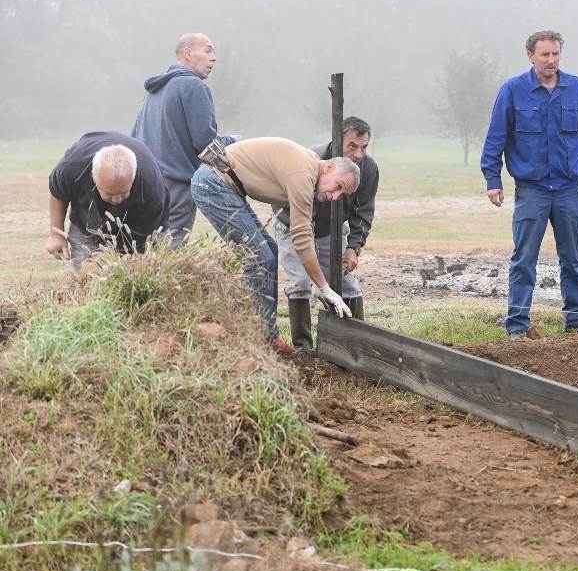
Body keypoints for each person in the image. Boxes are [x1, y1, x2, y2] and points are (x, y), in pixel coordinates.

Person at [480, 30, 578, 339]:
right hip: (532, 189)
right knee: (524, 259)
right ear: (531, 56)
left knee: (573, 257)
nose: (551, 60)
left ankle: (576, 319)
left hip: (568, 188)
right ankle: (518, 326)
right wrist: (492, 180)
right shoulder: (513, 91)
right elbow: (495, 138)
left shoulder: (575, 88)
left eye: (556, 54)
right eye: (545, 54)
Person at [190, 137, 361, 355]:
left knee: (270, 252)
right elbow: (301, 235)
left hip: (224, 185)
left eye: (341, 194)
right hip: (213, 184)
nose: (335, 196)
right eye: (338, 186)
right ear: (329, 167)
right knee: (259, 258)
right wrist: (324, 287)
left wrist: (318, 284)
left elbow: (304, 230)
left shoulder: (309, 169)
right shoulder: (303, 174)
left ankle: (267, 336)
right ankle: (258, 340)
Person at [274, 116, 380, 350]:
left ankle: (355, 347)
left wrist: (353, 247)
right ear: (337, 138)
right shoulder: (311, 161)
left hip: (331, 230)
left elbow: (363, 212)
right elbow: (283, 201)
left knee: (347, 284)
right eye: (352, 146)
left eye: (364, 147)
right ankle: (304, 349)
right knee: (301, 283)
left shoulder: (369, 169)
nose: (359, 154)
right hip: (292, 225)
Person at [132, 32, 236, 246]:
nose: (214, 57)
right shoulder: (194, 86)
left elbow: (134, 137)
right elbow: (205, 144)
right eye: (207, 50)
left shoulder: (154, 91)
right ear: (188, 53)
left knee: (149, 248)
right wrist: (236, 143)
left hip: (146, 183)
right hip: (176, 186)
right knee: (172, 250)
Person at [46, 132, 170, 269]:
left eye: (123, 193)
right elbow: (58, 194)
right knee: (83, 275)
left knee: (139, 270)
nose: (117, 200)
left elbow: (140, 248)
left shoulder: (151, 188)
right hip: (86, 218)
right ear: (94, 177)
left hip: (140, 222)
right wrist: (56, 235)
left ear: (133, 179)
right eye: (110, 193)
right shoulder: (72, 168)